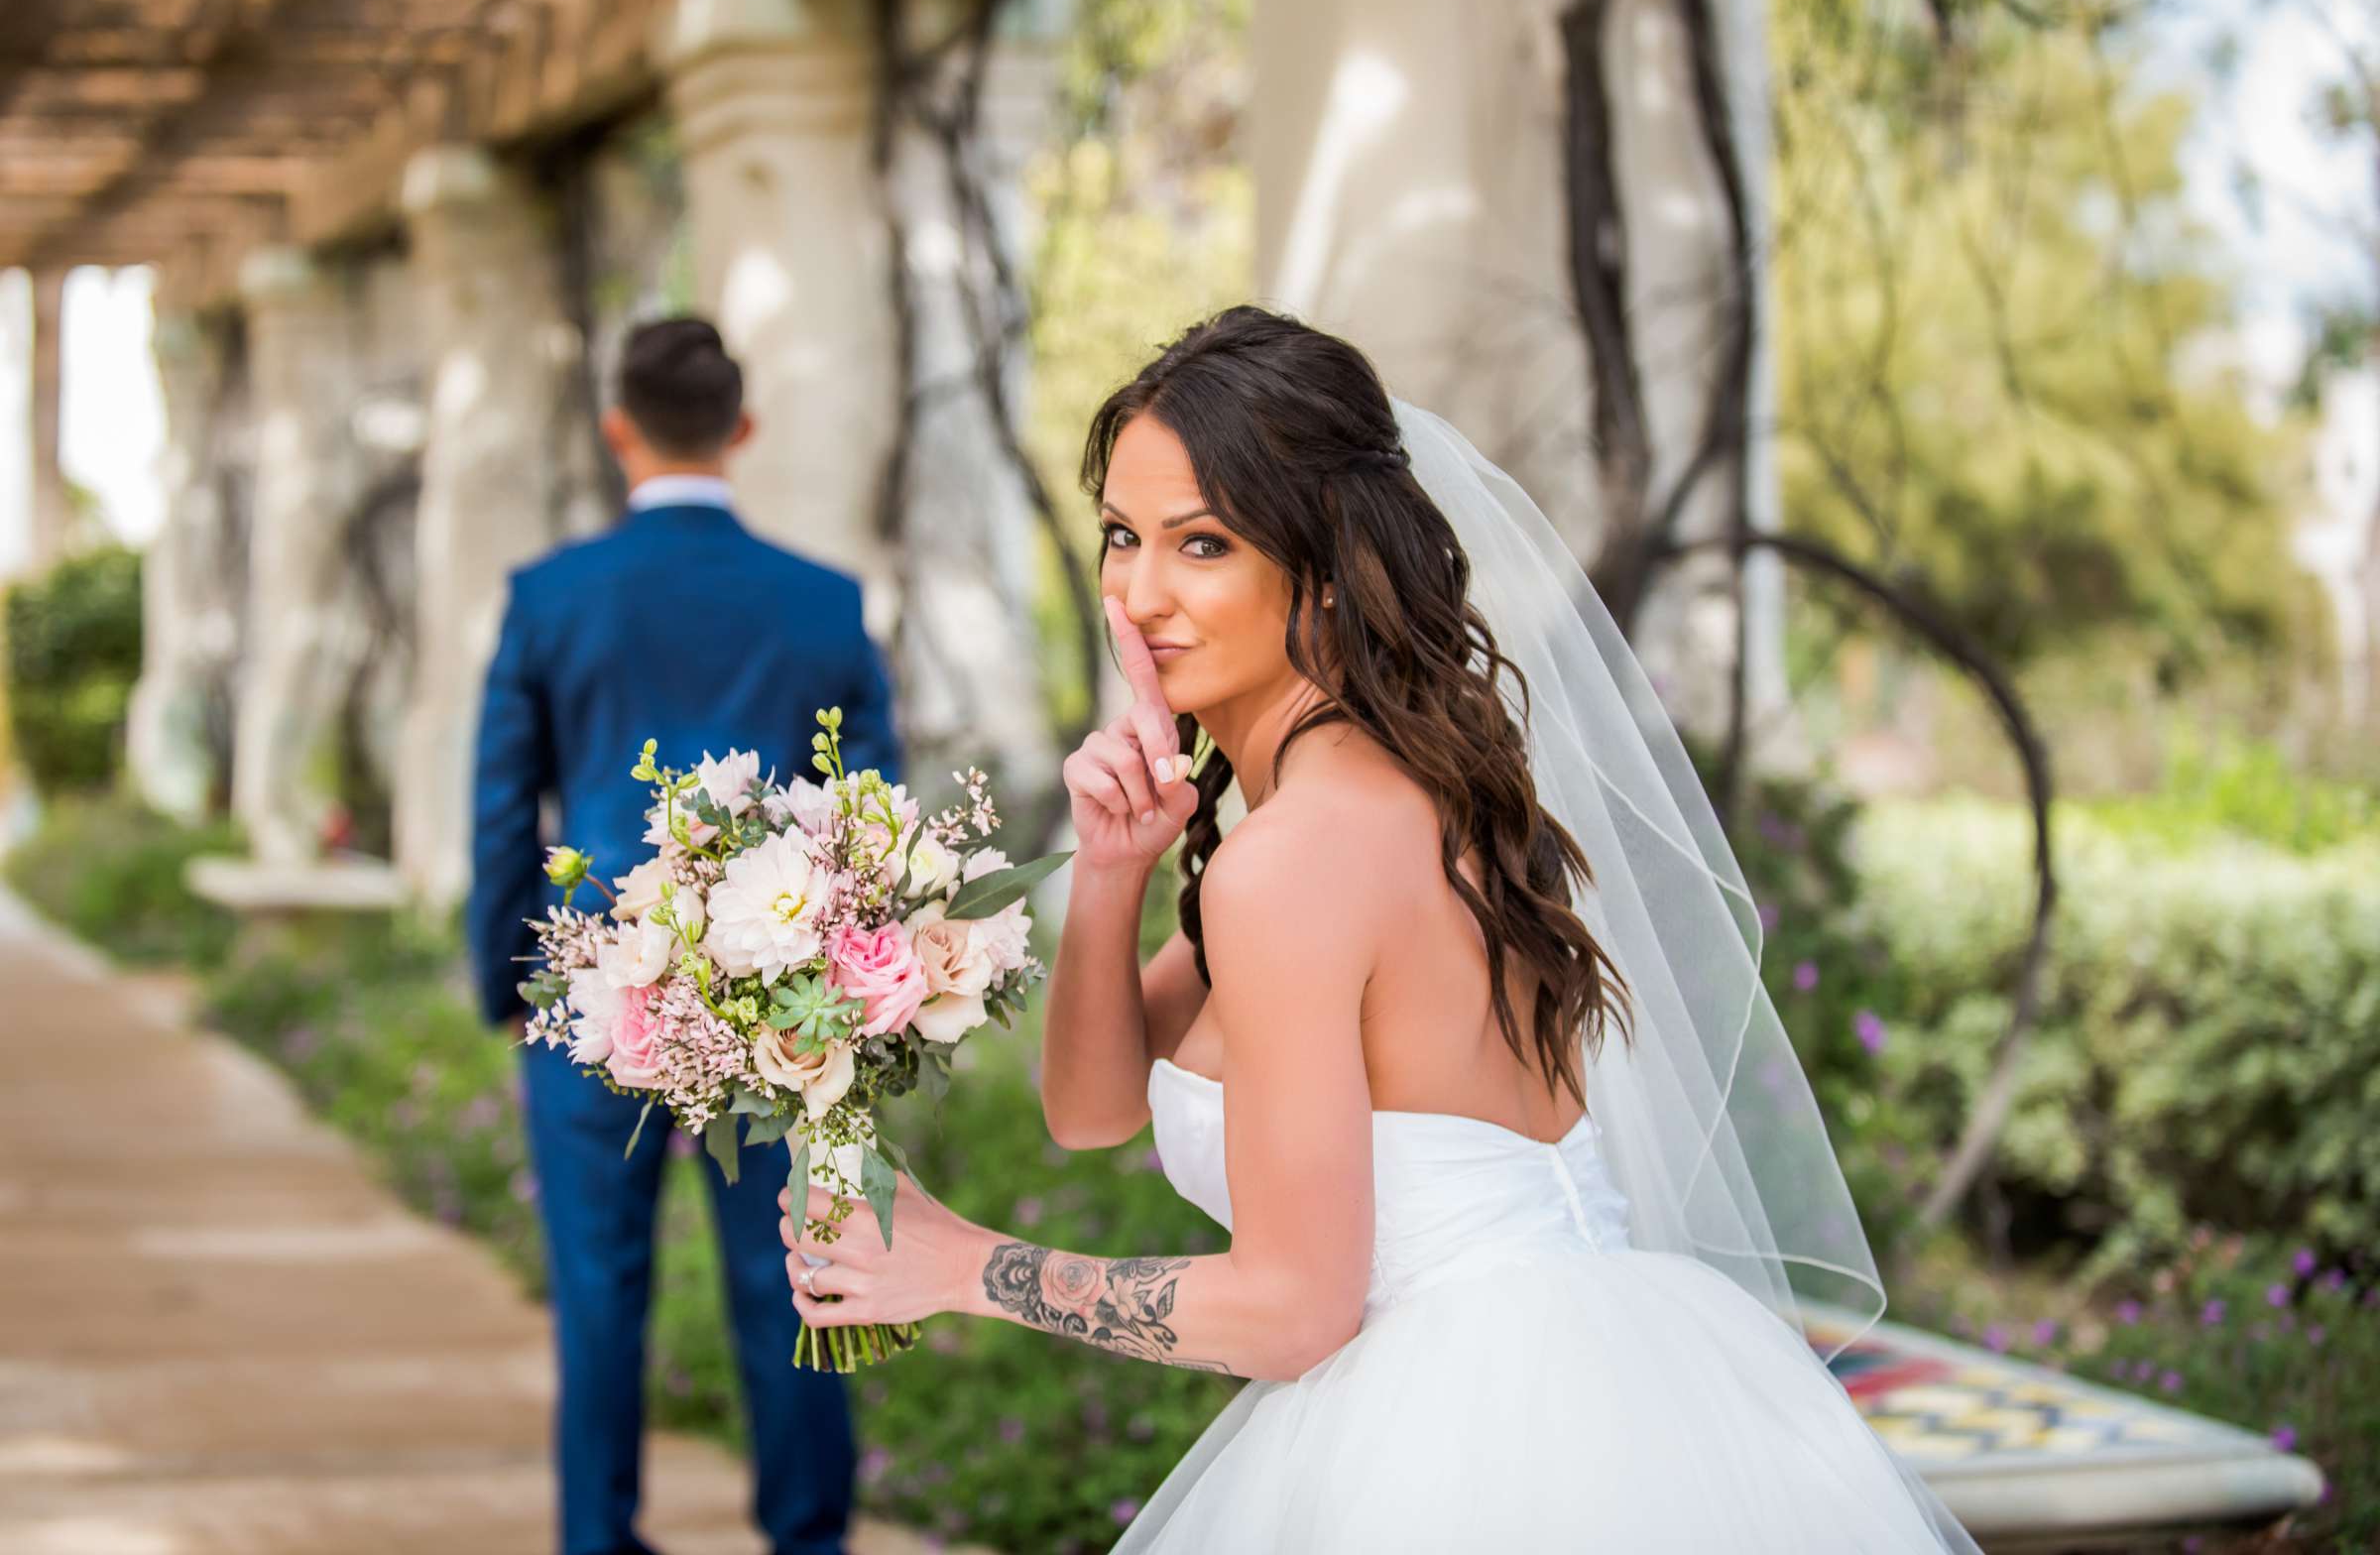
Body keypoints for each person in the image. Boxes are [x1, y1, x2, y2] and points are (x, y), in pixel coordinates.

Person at [773, 306, 1982, 1551]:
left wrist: (968, 1265)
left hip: (1470, 1456)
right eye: (1122, 537)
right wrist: (1118, 866)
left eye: (1203, 545)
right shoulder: (1406, 792)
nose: (1139, 594)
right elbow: (1094, 1109)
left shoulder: (1293, 863)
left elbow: (1298, 1311)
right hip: (1620, 1378)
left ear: (1330, 564)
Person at [467, 316, 898, 1555]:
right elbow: (869, 812)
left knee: (597, 1294)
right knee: (797, 1283)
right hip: (792, 1009)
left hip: (598, 994)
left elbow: (505, 803)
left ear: (618, 429)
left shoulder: (550, 598)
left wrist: (509, 974)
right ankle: (808, 1537)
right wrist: (862, 998)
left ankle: (598, 1537)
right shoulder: (823, 602)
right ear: (743, 429)